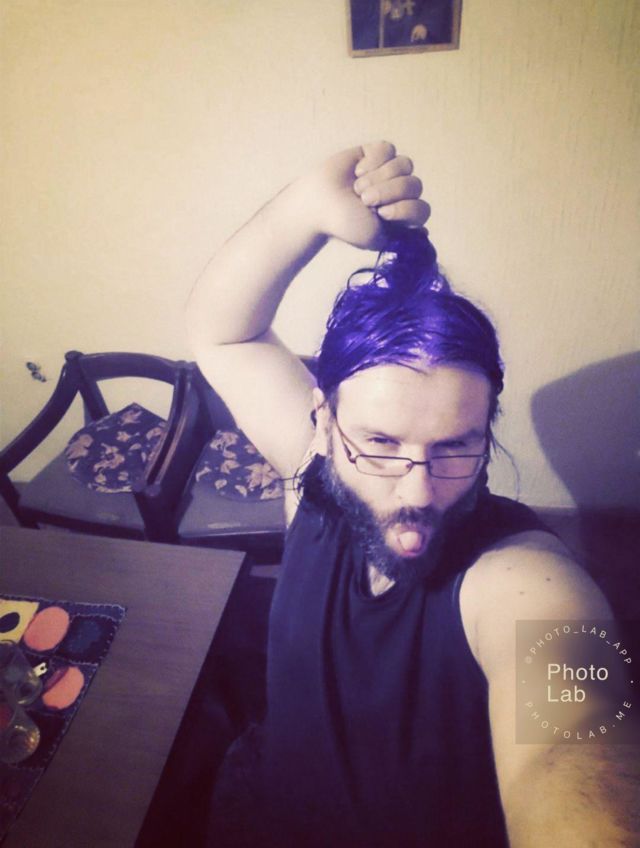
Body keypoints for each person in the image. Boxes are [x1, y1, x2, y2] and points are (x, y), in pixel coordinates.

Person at [187, 142, 636, 846]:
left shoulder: (527, 581)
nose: (419, 490)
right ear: (323, 422)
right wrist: (304, 207)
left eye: (455, 445)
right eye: (381, 442)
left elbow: (574, 741)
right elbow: (223, 334)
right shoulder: (313, 473)